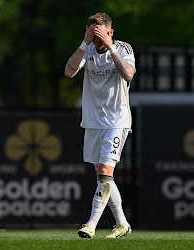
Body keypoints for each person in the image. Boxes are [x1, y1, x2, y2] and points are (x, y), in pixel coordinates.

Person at [64, 12, 135, 239]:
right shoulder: (88, 49)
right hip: (93, 122)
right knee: (103, 178)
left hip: (117, 120)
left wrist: (110, 47)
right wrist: (86, 42)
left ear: (110, 32)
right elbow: (69, 71)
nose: (97, 40)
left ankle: (90, 225)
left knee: (105, 172)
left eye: (100, 35)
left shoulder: (123, 48)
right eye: (93, 35)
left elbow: (128, 74)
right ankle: (122, 223)